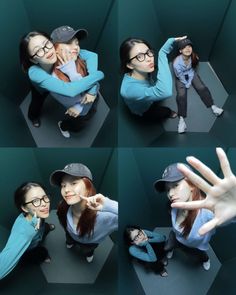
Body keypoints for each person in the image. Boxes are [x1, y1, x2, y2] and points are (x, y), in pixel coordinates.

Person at [19, 28, 104, 136]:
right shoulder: (34, 73)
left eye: (46, 44)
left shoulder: (58, 50)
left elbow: (92, 55)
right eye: (38, 50)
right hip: (41, 88)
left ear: (52, 42)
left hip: (61, 85)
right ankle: (33, 117)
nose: (46, 50)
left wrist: (92, 90)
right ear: (34, 59)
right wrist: (98, 76)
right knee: (36, 103)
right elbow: (70, 90)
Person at [50, 163, 118, 263]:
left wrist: (107, 204)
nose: (66, 190)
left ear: (88, 186)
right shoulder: (63, 206)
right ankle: (70, 242)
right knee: (69, 239)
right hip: (70, 235)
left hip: (90, 243)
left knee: (88, 250)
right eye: (63, 185)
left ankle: (89, 253)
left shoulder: (106, 216)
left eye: (73, 183)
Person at [119, 36, 186, 122]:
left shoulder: (143, 69)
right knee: (161, 112)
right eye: (139, 56)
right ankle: (169, 113)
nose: (149, 59)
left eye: (148, 52)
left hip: (150, 96)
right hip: (145, 110)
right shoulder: (129, 90)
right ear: (129, 65)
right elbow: (165, 91)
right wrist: (163, 52)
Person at [171, 147, 236, 235]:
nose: (170, 194)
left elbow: (224, 217)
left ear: (192, 185)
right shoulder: (174, 207)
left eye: (175, 185)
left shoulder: (208, 211)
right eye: (167, 189)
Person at [0, 182, 54, 279]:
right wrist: (31, 232)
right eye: (36, 201)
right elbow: (5, 261)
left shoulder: (35, 213)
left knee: (44, 227)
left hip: (40, 229)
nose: (44, 204)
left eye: (45, 197)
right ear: (24, 208)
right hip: (31, 247)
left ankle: (46, 227)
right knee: (41, 253)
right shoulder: (24, 232)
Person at [173, 38, 224, 133]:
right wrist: (187, 83)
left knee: (202, 87)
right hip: (181, 77)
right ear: (180, 51)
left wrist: (191, 79)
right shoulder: (176, 63)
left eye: (189, 46)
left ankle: (213, 107)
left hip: (191, 73)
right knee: (181, 95)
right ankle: (181, 120)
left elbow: (193, 70)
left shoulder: (194, 57)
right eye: (184, 47)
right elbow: (179, 76)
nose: (188, 49)